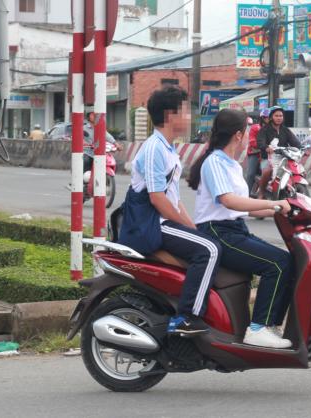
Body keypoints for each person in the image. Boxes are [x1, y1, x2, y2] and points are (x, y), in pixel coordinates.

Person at [118, 85, 221, 336]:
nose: (190, 116)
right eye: (185, 111)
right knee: (209, 249)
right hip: (154, 224)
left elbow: (175, 202)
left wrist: (193, 228)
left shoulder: (168, 149)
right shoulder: (154, 148)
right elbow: (158, 200)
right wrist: (189, 229)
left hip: (164, 221)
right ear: (170, 115)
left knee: (210, 241)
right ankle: (187, 317)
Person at [188, 109, 295, 349]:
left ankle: (269, 326)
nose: (250, 137)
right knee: (278, 264)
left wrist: (285, 210)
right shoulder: (214, 162)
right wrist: (272, 204)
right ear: (238, 135)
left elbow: (245, 206)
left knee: (289, 260)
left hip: (234, 228)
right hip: (217, 232)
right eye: (248, 132)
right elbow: (229, 201)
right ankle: (257, 328)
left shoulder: (232, 165)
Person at [256, 107, 302, 199]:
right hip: (266, 159)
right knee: (267, 171)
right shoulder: (264, 130)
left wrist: (300, 148)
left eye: (281, 116)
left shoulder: (285, 130)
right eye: (276, 116)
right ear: (271, 117)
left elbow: (295, 142)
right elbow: (260, 142)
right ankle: (261, 192)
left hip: (284, 159)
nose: (279, 118)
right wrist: (266, 147)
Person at [245, 109, 269, 192]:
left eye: (269, 117)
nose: (268, 119)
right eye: (266, 117)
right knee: (251, 174)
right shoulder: (255, 127)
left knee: (267, 174)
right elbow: (252, 142)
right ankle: (246, 193)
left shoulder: (272, 129)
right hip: (255, 153)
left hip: (267, 155)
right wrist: (264, 146)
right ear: (262, 118)